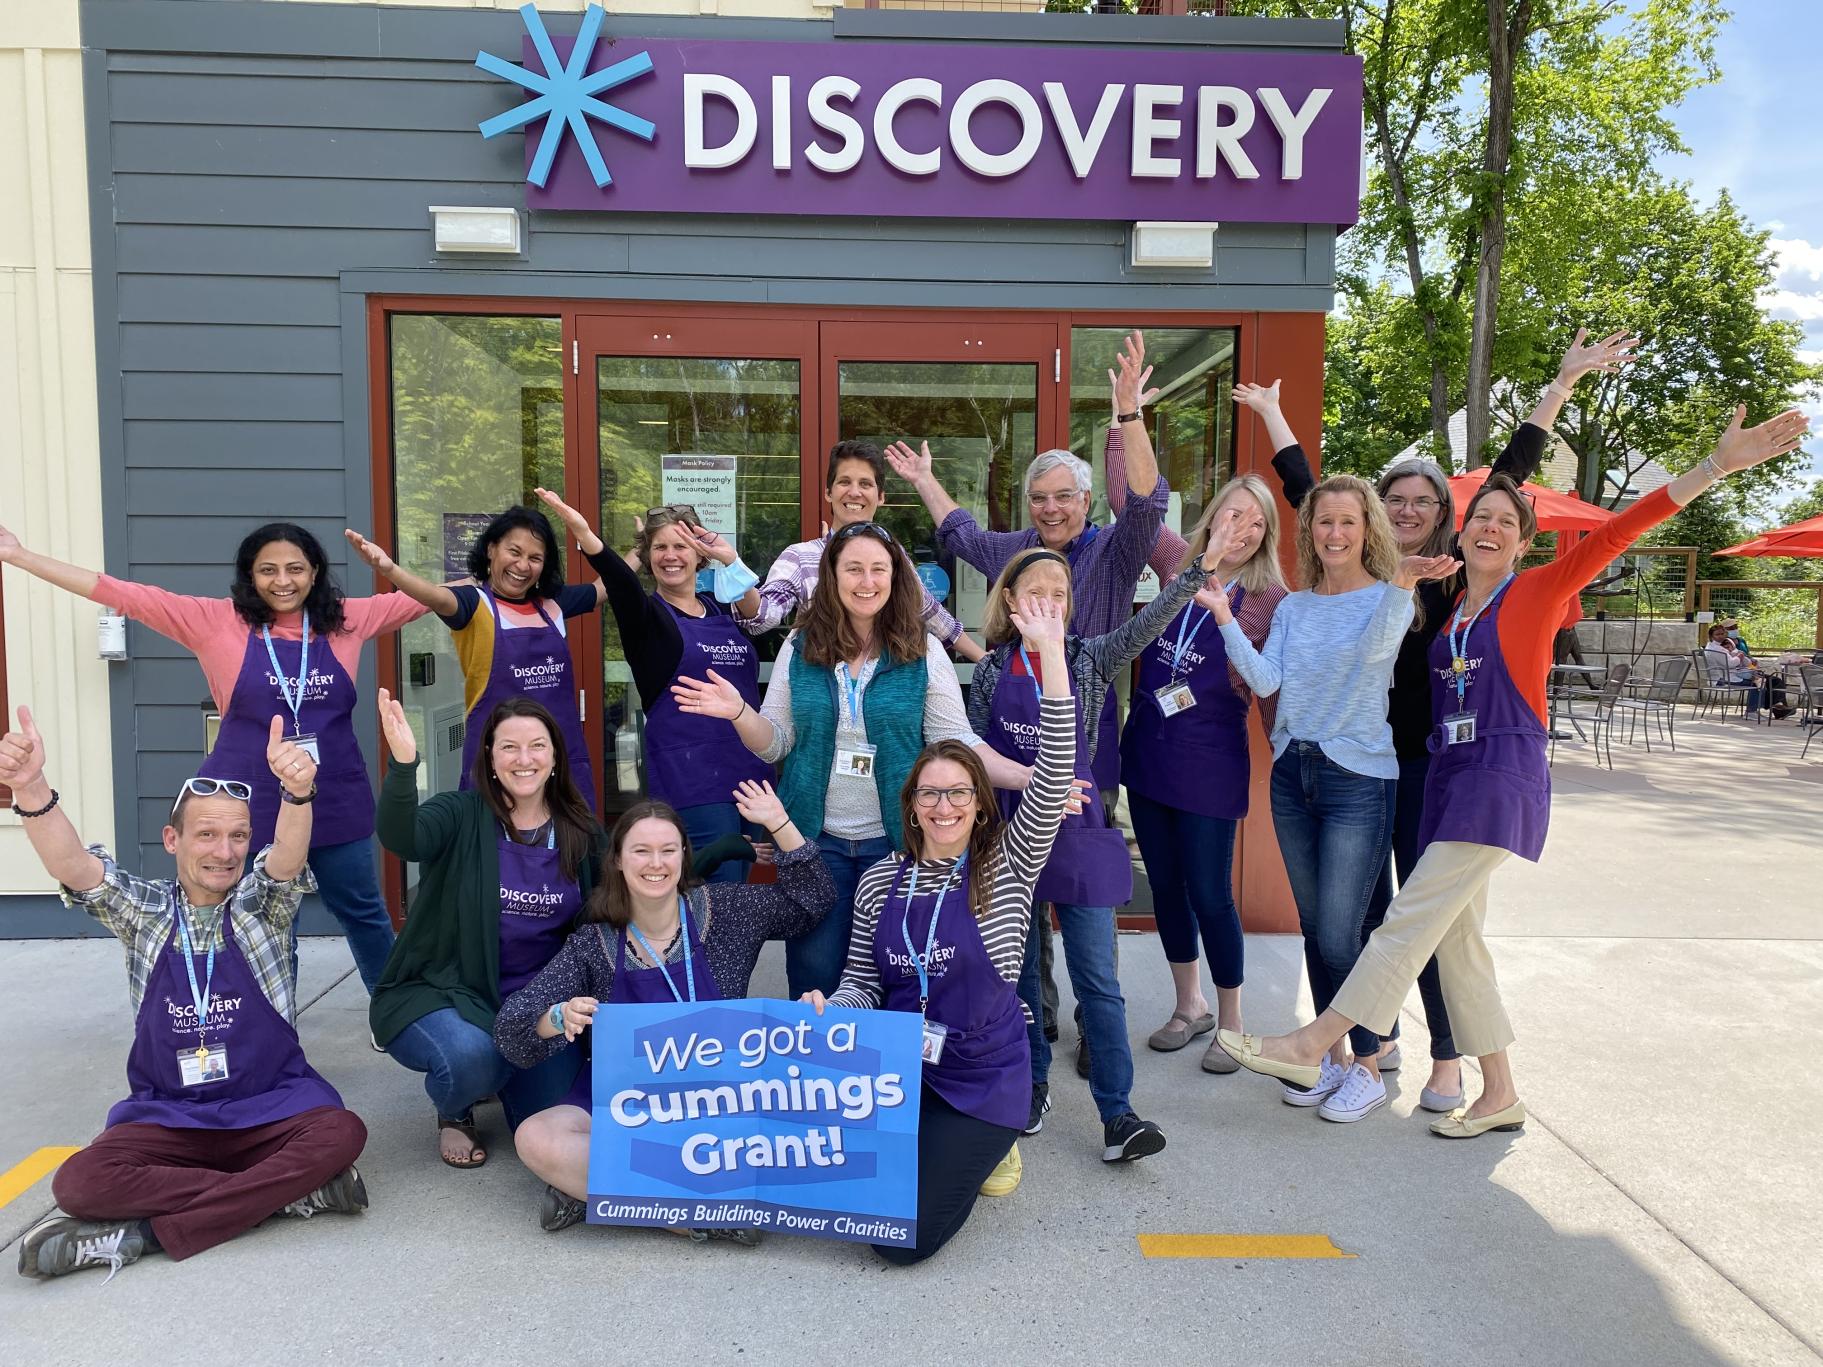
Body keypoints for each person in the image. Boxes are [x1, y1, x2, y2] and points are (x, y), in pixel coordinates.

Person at [1216, 405, 1810, 1135]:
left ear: (1525, 542)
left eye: (1505, 519)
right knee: (1458, 942)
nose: (1489, 527)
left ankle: (1313, 1044)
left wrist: (1711, 467)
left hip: (1496, 786)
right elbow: (1326, 511)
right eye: (1480, 518)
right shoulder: (1453, 608)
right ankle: (1498, 1091)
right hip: (1443, 782)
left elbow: (1620, 530)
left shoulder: (1535, 593)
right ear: (1458, 533)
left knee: (1402, 920)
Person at [7, 708, 368, 1280]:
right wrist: (30, 789)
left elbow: (287, 860)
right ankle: (282, 1197)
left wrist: (298, 796)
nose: (225, 852)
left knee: (341, 1132)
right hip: (170, 1118)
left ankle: (144, 1236)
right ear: (172, 838)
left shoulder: (260, 909)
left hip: (269, 1108)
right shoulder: (144, 913)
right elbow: (75, 866)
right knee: (78, 1183)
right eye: (207, 834)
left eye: (238, 836)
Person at [0, 520, 423, 993]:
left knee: (364, 911)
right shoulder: (213, 619)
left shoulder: (347, 618)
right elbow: (120, 592)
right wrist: (19, 555)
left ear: (315, 572)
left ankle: (395, 1017)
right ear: (249, 575)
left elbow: (435, 596)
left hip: (334, 792)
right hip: (246, 799)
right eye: (268, 570)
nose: (283, 581)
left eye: (295, 569)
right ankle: (269, 1025)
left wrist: (510, 558)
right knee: (263, 920)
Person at [805, 591, 1075, 1264]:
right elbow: (863, 982)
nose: (944, 803)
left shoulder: (1007, 863)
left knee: (898, 1241)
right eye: (930, 792)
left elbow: (1052, 776)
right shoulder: (878, 881)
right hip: (897, 1073)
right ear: (912, 806)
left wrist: (1050, 656)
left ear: (980, 806)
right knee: (828, 1188)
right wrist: (829, 1010)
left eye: (959, 791)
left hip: (981, 1079)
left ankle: (991, 1140)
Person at [670, 523, 1025, 999]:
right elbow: (775, 742)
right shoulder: (801, 647)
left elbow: (956, 741)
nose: (867, 581)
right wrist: (738, 711)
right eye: (853, 568)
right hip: (815, 843)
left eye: (879, 569)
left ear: (895, 577)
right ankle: (822, 1073)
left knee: (895, 970)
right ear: (832, 576)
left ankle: (889, 1073)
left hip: (898, 841)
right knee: (816, 975)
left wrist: (1029, 777)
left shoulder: (923, 649)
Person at [1204, 477, 1458, 1123]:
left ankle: (1368, 1066)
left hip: (1357, 779)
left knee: (1347, 932)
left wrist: (1400, 583)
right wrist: (1225, 617)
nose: (1335, 534)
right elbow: (1266, 680)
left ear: (1365, 527)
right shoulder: (1293, 607)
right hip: (1294, 773)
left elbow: (1375, 655)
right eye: (1324, 523)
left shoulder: (1389, 595)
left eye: (1347, 522)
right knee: (1317, 928)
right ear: (1309, 531)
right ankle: (1328, 1058)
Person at [969, 539, 1223, 1157]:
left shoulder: (1089, 656)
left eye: (1060, 594)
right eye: (1037, 593)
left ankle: (1119, 1112)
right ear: (1010, 600)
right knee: (1020, 974)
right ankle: (1030, 1085)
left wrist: (1197, 570)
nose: (1050, 604)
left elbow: (1150, 619)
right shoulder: (988, 668)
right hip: (1008, 833)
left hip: (1078, 834)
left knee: (1098, 982)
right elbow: (973, 750)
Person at [495, 781, 834, 1235]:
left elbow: (812, 901)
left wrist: (779, 823)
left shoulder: (728, 910)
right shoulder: (594, 943)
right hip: (627, 1104)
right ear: (617, 859)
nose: (655, 863)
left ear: (682, 857)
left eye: (667, 850)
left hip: (720, 1099)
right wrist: (557, 1018)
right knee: (535, 1137)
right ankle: (696, 1216)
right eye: (641, 851)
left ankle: (599, 1191)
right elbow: (511, 1030)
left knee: (804, 1131)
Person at [368, 691, 606, 1169]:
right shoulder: (460, 814)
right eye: (509, 747)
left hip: (536, 1003)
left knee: (552, 1117)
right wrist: (403, 765)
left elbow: (618, 904)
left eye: (537, 746)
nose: (524, 759)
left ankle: (502, 1075)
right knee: (471, 1057)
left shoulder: (580, 830)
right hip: (450, 990)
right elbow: (402, 837)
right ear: (490, 758)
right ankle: (455, 1109)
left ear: (555, 756)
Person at [1119, 472, 1289, 1073]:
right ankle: (1188, 1005)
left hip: (1210, 762)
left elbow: (1269, 686)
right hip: (1149, 753)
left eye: (1256, 522)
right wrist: (1128, 417)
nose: (1242, 530)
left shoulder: (1272, 598)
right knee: (1164, 887)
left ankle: (1233, 1021)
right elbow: (1132, 497)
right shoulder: (1175, 561)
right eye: (1234, 515)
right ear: (1213, 514)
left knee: (1211, 894)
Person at [530, 489, 772, 882]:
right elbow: (621, 584)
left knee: (739, 902)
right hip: (692, 782)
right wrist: (587, 536)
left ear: (700, 555)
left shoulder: (720, 607)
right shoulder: (646, 619)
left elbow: (762, 614)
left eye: (681, 545)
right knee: (714, 902)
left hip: (751, 776)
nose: (670, 555)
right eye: (659, 547)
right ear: (647, 558)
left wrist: (730, 558)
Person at [346, 505, 607, 808]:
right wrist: (389, 569)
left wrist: (645, 548)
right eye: (514, 552)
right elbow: (432, 595)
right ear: (491, 549)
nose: (523, 565)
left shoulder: (552, 604)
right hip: (498, 765)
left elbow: (608, 586)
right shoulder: (472, 603)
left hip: (559, 759)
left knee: (570, 849)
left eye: (535, 558)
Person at [746, 440, 984, 662]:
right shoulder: (801, 556)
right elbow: (762, 617)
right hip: (821, 688)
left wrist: (986, 662)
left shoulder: (894, 555)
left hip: (886, 689)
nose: (855, 492)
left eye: (865, 484)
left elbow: (933, 616)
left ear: (880, 497)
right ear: (828, 493)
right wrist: (733, 570)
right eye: (844, 482)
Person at [1703, 623, 1786, 716]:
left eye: (1722, 634)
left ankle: (1778, 707)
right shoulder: (1716, 649)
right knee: (1757, 683)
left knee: (1770, 681)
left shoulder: (1724, 644)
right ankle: (1752, 711)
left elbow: (1741, 659)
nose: (1720, 636)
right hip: (1724, 678)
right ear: (1711, 636)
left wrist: (1747, 661)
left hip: (1736, 672)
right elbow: (1730, 664)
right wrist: (1739, 656)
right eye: (1717, 634)